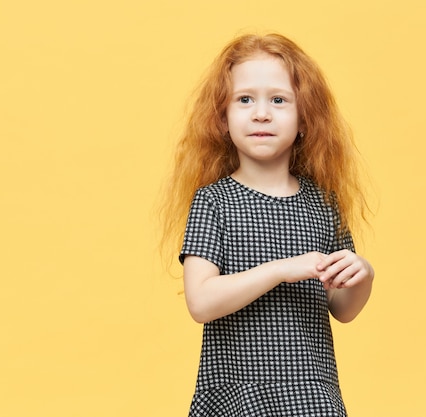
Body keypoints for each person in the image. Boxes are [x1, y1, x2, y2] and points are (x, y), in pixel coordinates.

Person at [160, 33, 374, 417]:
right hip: (236, 398)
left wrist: (363, 277)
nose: (261, 113)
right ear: (222, 120)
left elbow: (341, 308)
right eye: (245, 100)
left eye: (278, 100)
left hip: (311, 396)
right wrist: (280, 270)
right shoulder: (214, 202)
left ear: (305, 118)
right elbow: (201, 301)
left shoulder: (324, 204)